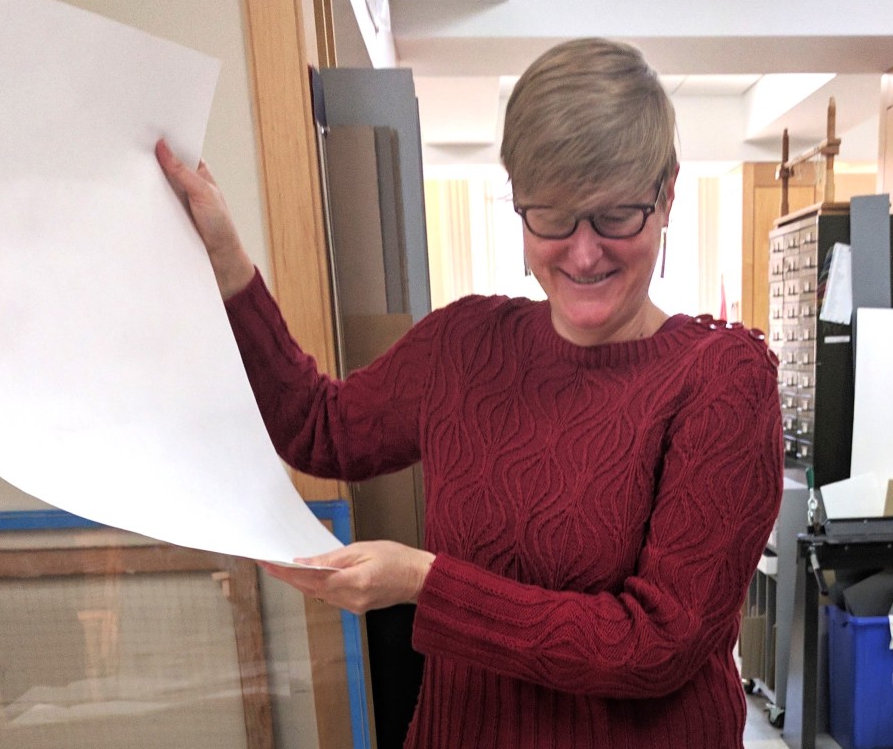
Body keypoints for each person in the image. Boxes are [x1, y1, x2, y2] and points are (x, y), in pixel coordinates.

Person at [157, 37, 782, 749]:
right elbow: (319, 428)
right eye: (550, 215)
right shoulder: (464, 344)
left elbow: (655, 645)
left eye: (616, 216)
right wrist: (228, 262)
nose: (583, 252)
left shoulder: (721, 380)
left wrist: (427, 583)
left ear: (667, 192)